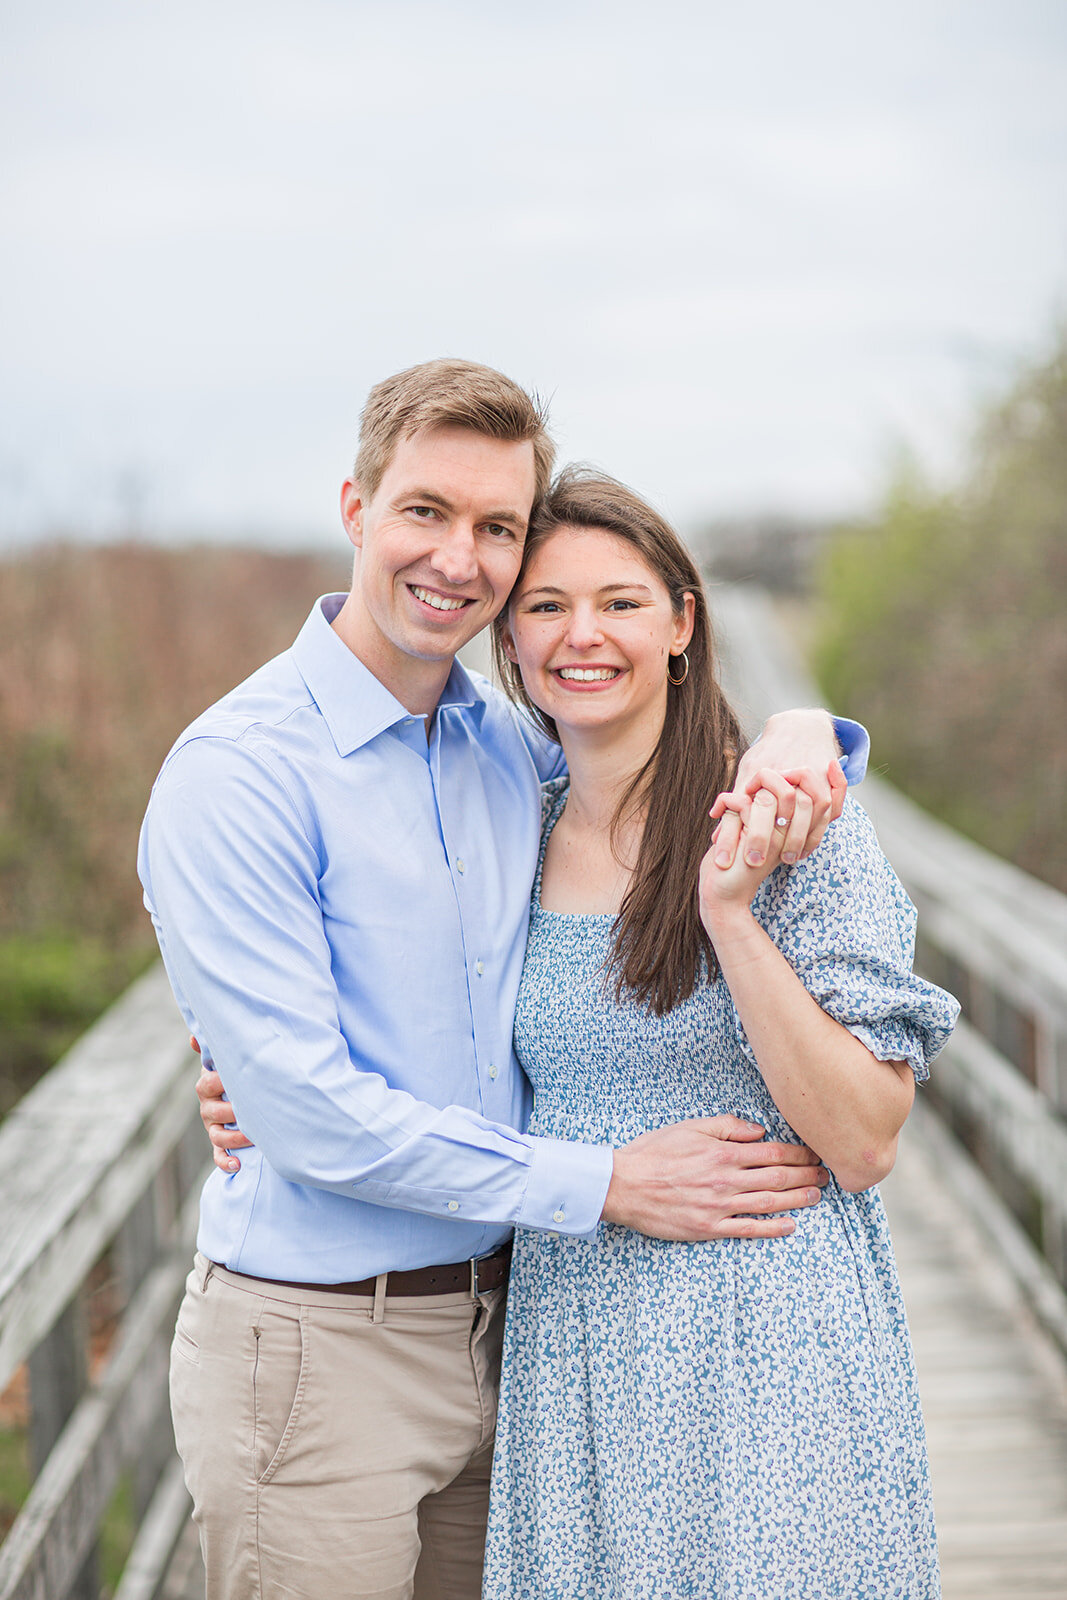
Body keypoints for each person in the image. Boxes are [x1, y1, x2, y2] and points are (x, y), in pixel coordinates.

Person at [139, 358, 868, 1600]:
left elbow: (654, 714)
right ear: (357, 508)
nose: (458, 559)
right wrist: (609, 1182)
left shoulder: (502, 747)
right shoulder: (239, 772)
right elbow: (310, 1114)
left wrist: (809, 731)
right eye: (426, 511)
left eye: (497, 528)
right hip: (323, 1350)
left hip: (517, 1340)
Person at [473, 467, 959, 1599]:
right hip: (577, 1356)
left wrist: (728, 915)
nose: (580, 635)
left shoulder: (793, 822)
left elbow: (865, 1139)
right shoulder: (510, 829)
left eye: (620, 601)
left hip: (764, 1353)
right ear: (508, 635)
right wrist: (253, 1081)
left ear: (683, 622)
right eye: (544, 605)